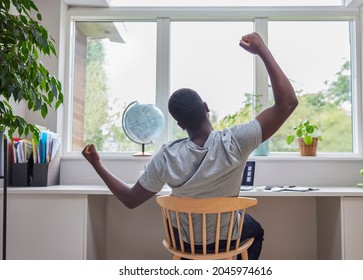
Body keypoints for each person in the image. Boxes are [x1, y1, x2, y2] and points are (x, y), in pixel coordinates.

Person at [82, 32, 298, 260]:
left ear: (180, 124)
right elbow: (288, 103)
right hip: (227, 239)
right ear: (206, 107)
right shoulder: (235, 141)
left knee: (190, 234)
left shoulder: (167, 156)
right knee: (256, 231)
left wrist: (97, 164)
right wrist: (262, 51)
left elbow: (130, 199)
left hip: (187, 244)